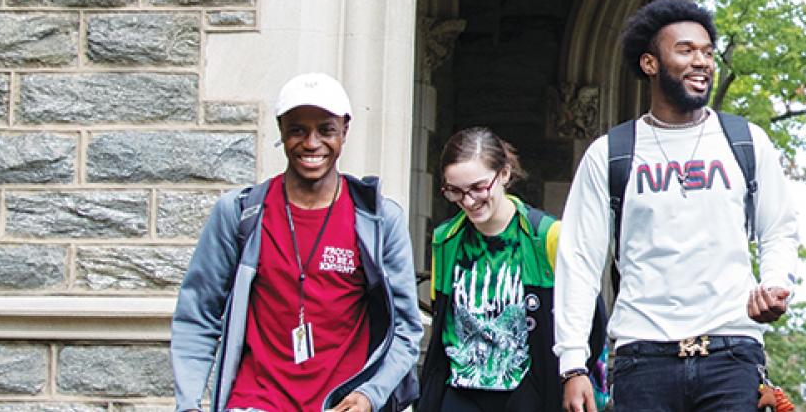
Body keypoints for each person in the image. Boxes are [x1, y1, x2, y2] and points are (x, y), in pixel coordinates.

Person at [554, 0, 803, 412]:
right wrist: (573, 362)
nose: (701, 61)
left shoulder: (744, 141)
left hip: (731, 351)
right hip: (642, 357)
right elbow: (579, 258)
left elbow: (778, 227)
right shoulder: (611, 152)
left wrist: (773, 285)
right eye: (685, 50)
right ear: (650, 64)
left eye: (707, 52)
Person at [170, 72, 421, 412]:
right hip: (255, 402)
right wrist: (188, 404)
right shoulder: (240, 213)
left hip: (339, 404)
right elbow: (197, 315)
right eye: (298, 129)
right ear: (281, 130)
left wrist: (370, 395)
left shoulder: (379, 219)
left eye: (326, 130)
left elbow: (405, 328)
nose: (312, 143)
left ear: (344, 130)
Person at [416, 127, 607, 411]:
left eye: (479, 188)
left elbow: (589, 316)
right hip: (460, 389)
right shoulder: (446, 239)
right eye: (455, 191)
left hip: (528, 389)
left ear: (504, 174)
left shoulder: (547, 236)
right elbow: (444, 318)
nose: (468, 201)